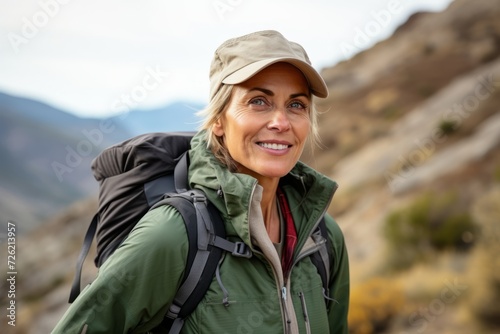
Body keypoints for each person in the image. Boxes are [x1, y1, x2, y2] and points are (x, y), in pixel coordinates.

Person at [52, 30, 349, 333]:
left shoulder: (323, 238)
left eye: (296, 105)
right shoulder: (175, 233)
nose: (281, 122)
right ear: (218, 120)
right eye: (259, 101)